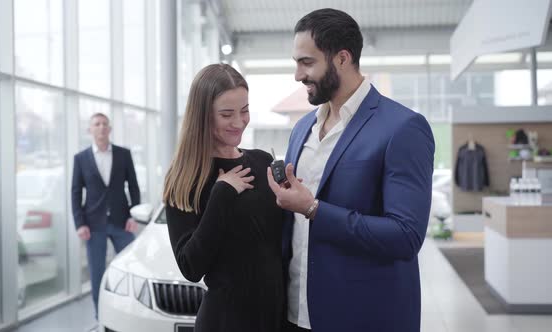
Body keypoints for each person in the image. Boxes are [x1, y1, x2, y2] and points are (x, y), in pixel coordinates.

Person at [266, 8, 435, 332]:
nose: (298, 75)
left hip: (362, 316)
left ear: (342, 58)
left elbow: (405, 236)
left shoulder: (402, 128)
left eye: (307, 62)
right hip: (293, 313)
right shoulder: (303, 128)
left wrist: (313, 209)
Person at [163, 64, 285, 332]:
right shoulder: (186, 178)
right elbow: (191, 267)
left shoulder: (262, 161)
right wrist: (221, 195)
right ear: (203, 116)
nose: (239, 122)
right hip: (226, 321)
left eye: (245, 111)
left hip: (276, 317)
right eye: (227, 114)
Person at [71, 113, 140, 330]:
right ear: (90, 130)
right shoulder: (81, 158)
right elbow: (75, 192)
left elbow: (134, 187)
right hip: (93, 225)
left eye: (104, 124)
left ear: (109, 129)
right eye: (96, 124)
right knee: (97, 272)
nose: (101, 128)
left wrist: (133, 215)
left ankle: (131, 314)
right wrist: (79, 223)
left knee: (131, 270)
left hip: (122, 222)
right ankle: (101, 318)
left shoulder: (123, 154)